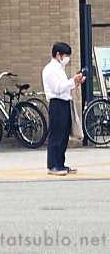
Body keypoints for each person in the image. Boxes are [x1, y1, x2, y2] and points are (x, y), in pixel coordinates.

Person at [42, 42, 85, 175]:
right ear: (58, 55)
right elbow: (58, 88)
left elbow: (65, 87)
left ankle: (60, 163)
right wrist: (73, 80)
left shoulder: (59, 69)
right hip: (56, 103)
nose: (67, 58)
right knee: (56, 134)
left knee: (64, 134)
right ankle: (52, 165)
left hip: (65, 102)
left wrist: (76, 82)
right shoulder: (50, 69)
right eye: (65, 55)